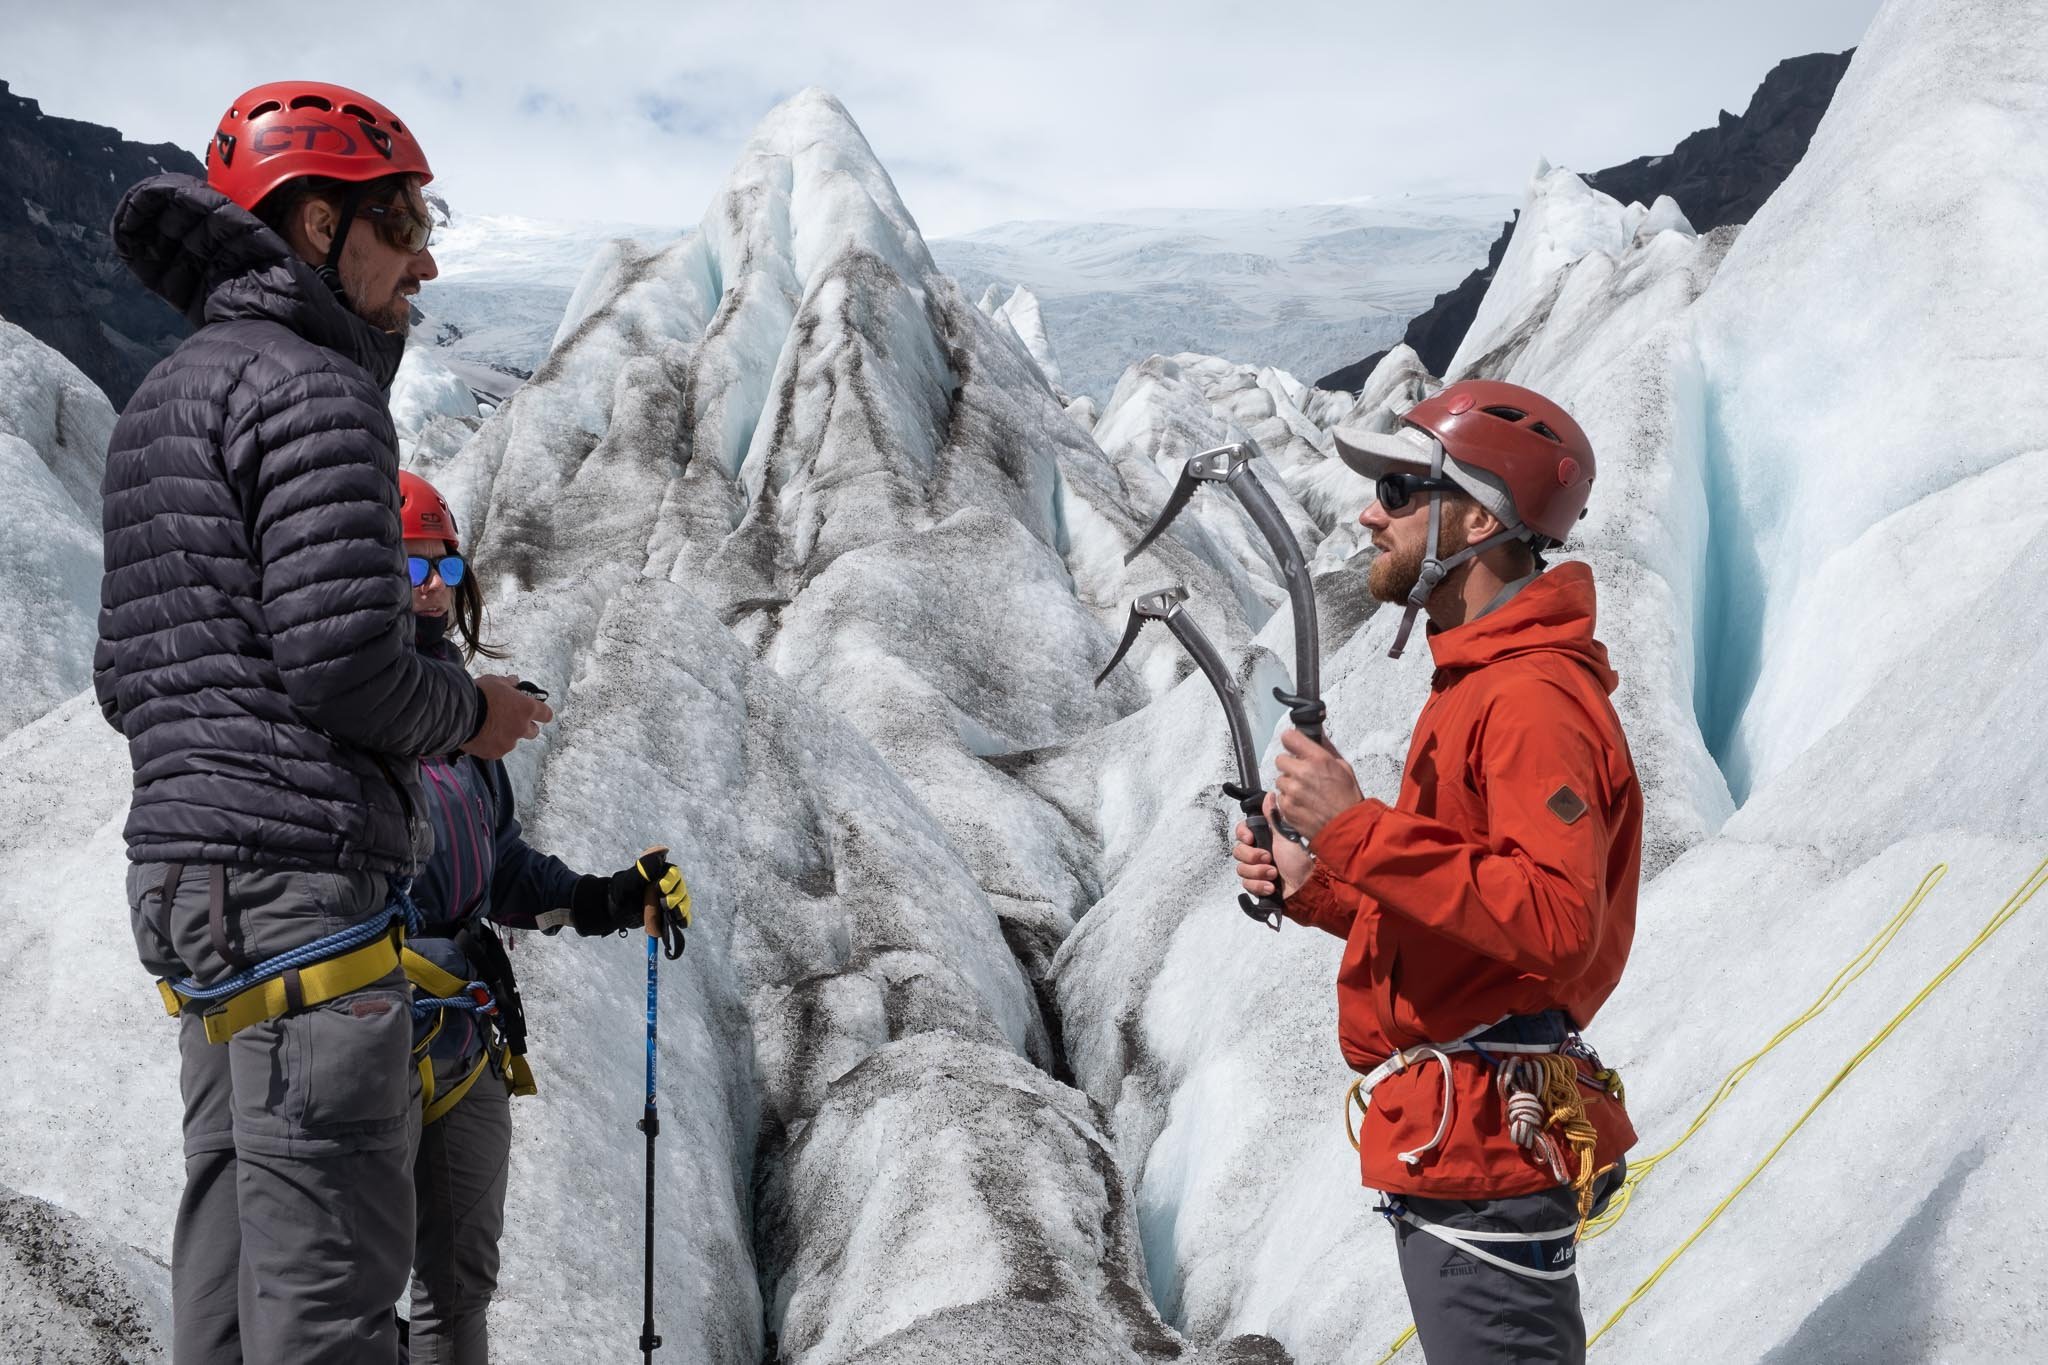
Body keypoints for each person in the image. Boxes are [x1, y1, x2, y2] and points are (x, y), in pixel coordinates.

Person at [96, 81, 552, 1364]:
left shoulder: (160, 404)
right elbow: (344, 661)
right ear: (313, 228)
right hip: (304, 891)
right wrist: (475, 715)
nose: (425, 255)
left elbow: (125, 676)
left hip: (188, 895)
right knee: (332, 1299)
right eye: (399, 220)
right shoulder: (313, 389)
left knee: (230, 1272)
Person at [1234, 379, 1642, 1364]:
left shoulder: (1528, 699)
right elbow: (1467, 920)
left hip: (1484, 1147)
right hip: (1464, 1140)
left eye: (1399, 490)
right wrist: (1317, 880)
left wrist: (1358, 831)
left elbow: (1551, 922)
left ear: (1474, 514)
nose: (1369, 511)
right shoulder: (1481, 684)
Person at [394, 470, 691, 1363]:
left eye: (445, 562)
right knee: (351, 1278)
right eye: (412, 566)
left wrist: (610, 896)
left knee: (458, 1280)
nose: (436, 586)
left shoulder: (473, 724)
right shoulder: (352, 713)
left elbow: (505, 864)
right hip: (369, 1017)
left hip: (463, 1028)